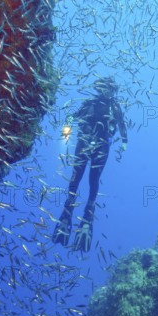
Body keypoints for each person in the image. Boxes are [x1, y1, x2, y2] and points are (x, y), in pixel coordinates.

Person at [53, 77, 127, 252]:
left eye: (108, 89)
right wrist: (68, 124)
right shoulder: (89, 103)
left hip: (101, 147)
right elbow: (74, 115)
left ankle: (88, 214)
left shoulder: (115, 107)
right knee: (76, 178)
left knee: (93, 180)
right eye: (103, 88)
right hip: (84, 143)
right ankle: (68, 210)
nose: (105, 92)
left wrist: (125, 141)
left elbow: (122, 125)